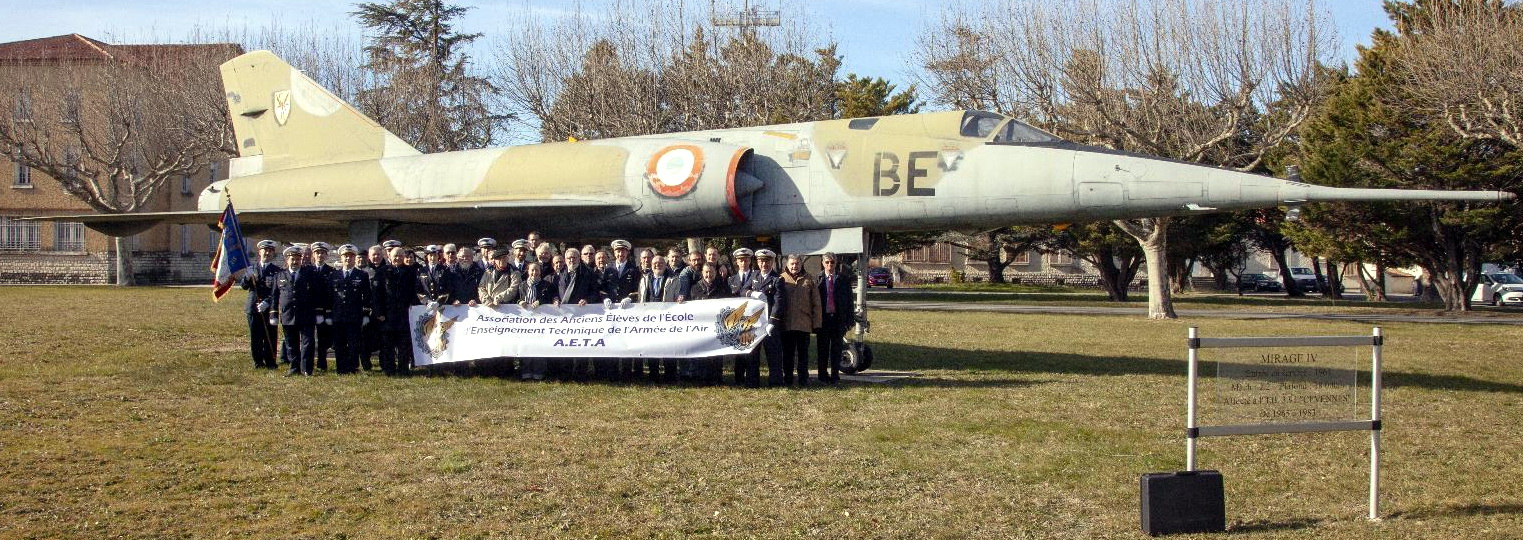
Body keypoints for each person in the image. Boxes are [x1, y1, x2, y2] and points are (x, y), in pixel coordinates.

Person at [272, 246, 323, 376]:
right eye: (292, 259)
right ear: (287, 260)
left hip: (307, 315)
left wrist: (318, 312)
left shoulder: (310, 274)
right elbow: (274, 296)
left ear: (301, 260)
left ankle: (306, 369)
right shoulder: (280, 275)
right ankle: (294, 368)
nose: (295, 262)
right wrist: (273, 314)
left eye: (297, 259)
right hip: (288, 314)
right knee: (291, 343)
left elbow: (317, 294)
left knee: (307, 343)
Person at [740, 249, 786, 387]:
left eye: (766, 261)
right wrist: (752, 293)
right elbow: (742, 291)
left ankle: (775, 381)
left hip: (769, 323)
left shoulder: (777, 279)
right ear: (758, 262)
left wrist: (772, 321)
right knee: (752, 354)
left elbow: (779, 302)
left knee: (773, 354)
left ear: (771, 262)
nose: (764, 264)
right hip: (754, 322)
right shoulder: (754, 275)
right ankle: (752, 382)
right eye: (761, 261)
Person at [328, 244, 373, 374]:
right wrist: (329, 314)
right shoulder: (334, 275)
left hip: (354, 315)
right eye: (345, 256)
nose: (348, 259)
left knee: (354, 344)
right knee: (339, 344)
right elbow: (330, 296)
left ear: (354, 258)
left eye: (351, 256)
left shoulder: (362, 275)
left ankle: (353, 367)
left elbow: (367, 296)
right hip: (338, 315)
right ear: (341, 258)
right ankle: (341, 368)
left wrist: (365, 314)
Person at [378, 246, 423, 376]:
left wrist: (414, 307)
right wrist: (379, 312)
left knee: (404, 345)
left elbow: (415, 292)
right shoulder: (382, 272)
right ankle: (389, 369)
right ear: (389, 257)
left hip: (404, 314)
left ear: (404, 257)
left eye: (400, 256)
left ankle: (403, 369)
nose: (397, 258)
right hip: (387, 314)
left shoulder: (411, 272)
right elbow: (377, 294)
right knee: (388, 345)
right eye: (395, 256)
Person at [780, 253, 822, 386]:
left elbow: (816, 303)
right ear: (787, 265)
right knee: (788, 354)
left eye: (797, 263)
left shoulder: (809, 279)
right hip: (787, 324)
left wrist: (817, 323)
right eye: (792, 264)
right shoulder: (781, 279)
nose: (794, 266)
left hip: (804, 324)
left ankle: (803, 379)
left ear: (801, 264)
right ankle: (788, 379)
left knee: (803, 354)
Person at [686, 262, 730, 384]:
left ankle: (717, 377)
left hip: (718, 326)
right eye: (706, 272)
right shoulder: (695, 288)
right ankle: (702, 378)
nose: (708, 274)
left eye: (711, 272)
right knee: (702, 352)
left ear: (716, 273)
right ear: (702, 273)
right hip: (701, 327)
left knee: (717, 352)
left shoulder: (723, 287)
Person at [638, 255, 681, 381]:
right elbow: (641, 298)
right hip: (649, 319)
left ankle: (670, 375)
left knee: (669, 346)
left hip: (668, 318)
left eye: (661, 262)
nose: (658, 265)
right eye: (655, 263)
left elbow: (678, 295)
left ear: (665, 264)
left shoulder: (674, 279)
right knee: (653, 347)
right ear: (651, 265)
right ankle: (653, 375)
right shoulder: (644, 279)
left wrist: (679, 299)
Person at [240, 239, 281, 369]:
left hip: (269, 309)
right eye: (265, 250)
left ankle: (270, 361)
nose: (267, 253)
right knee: (255, 336)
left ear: (273, 253)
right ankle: (258, 361)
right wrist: (247, 277)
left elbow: (277, 291)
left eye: (270, 251)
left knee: (270, 335)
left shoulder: (277, 271)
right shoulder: (252, 268)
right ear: (260, 252)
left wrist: (267, 302)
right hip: (252, 308)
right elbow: (244, 286)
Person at [816, 252, 854, 384]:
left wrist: (850, 320)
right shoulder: (818, 279)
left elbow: (849, 301)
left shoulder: (843, 279)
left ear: (836, 263)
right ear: (823, 263)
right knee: (823, 349)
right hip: (823, 319)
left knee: (836, 349)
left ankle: (835, 375)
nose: (829, 265)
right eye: (827, 262)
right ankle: (822, 375)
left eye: (832, 262)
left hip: (838, 319)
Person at [514, 262, 556, 381]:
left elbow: (550, 297)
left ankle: (539, 373)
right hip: (525, 322)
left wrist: (540, 302)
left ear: (540, 271)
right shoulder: (522, 285)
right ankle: (525, 372)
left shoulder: (546, 285)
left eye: (536, 270)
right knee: (526, 345)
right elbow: (516, 298)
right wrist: (520, 302)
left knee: (539, 346)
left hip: (541, 321)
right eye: (532, 270)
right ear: (528, 271)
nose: (534, 273)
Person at [359, 244, 389, 371]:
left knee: (384, 341)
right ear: (369, 257)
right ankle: (366, 364)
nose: (376, 257)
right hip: (368, 312)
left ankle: (384, 364)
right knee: (365, 340)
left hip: (383, 312)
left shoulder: (389, 270)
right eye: (373, 255)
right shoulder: (363, 272)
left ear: (383, 255)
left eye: (378, 254)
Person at [309, 242, 336, 372]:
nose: (320, 255)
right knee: (308, 338)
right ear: (313, 254)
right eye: (317, 252)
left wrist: (329, 311)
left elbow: (332, 293)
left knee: (323, 339)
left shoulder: (331, 272)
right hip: (309, 310)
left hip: (325, 310)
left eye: (322, 253)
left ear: (326, 255)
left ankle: (321, 362)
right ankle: (308, 362)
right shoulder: (308, 271)